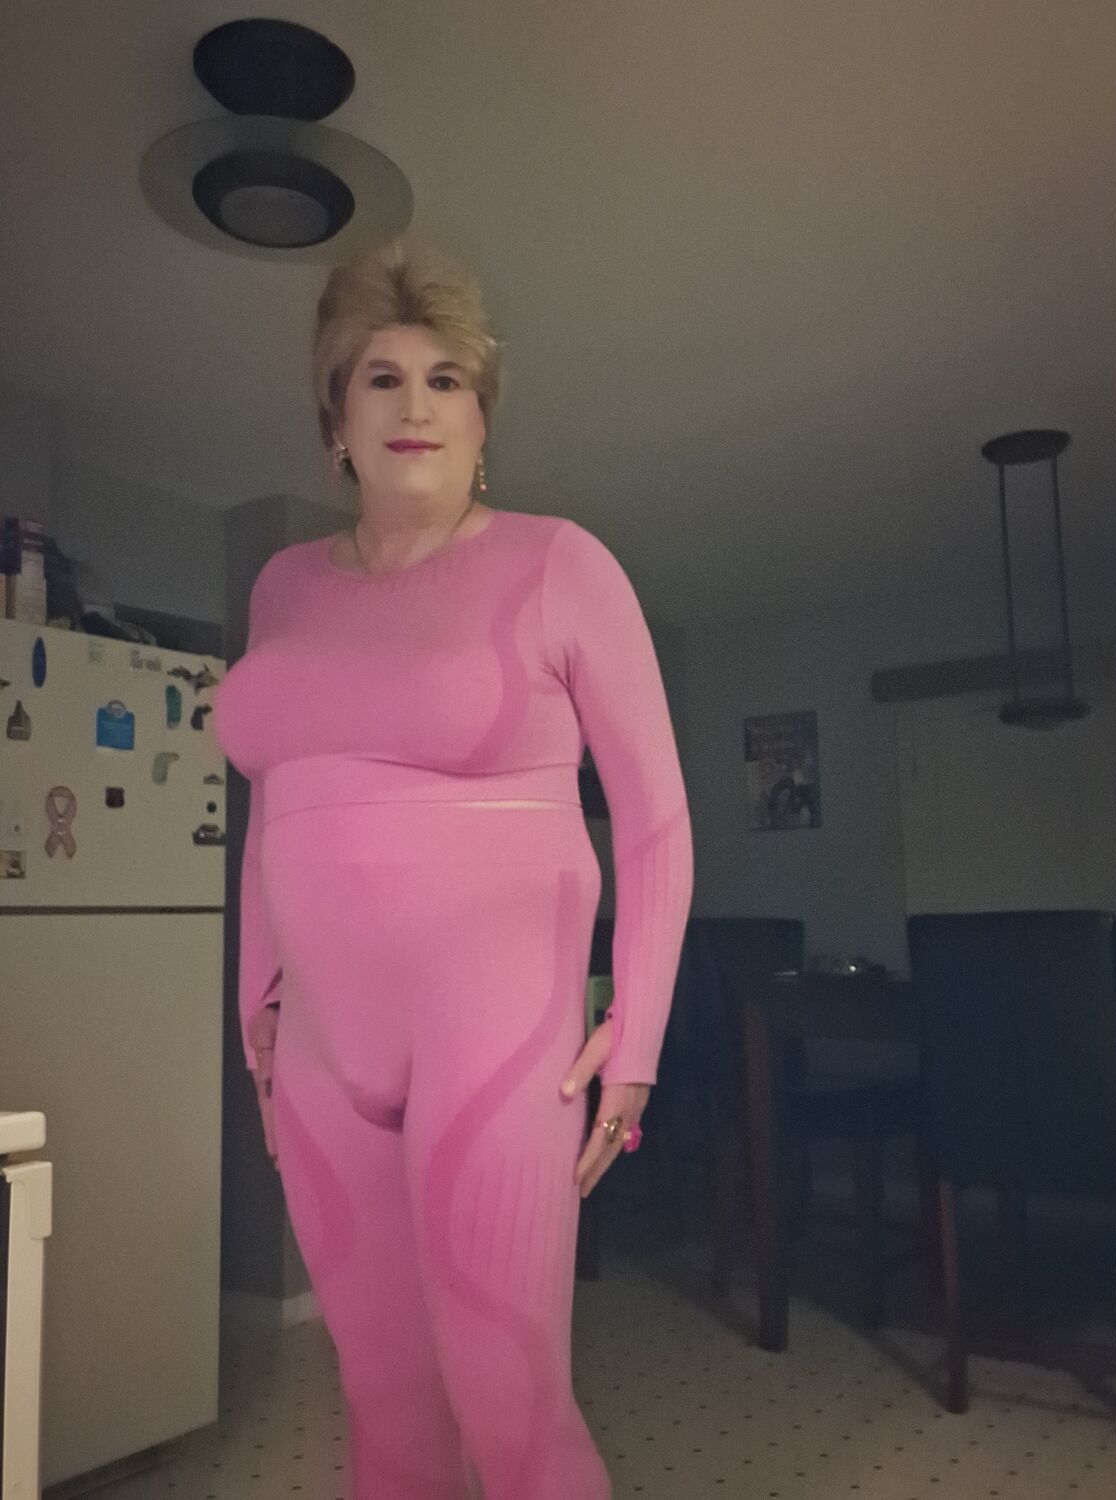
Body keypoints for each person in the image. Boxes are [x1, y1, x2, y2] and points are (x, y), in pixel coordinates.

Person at [212, 238, 693, 1500]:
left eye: (446, 380)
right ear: (337, 420)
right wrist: (257, 1003)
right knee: (383, 1413)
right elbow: (274, 806)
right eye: (381, 377)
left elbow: (654, 819)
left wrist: (637, 1037)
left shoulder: (563, 566)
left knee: (512, 1414)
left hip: (500, 1045)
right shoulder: (281, 589)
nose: (414, 405)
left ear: (483, 421)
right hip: (319, 1059)